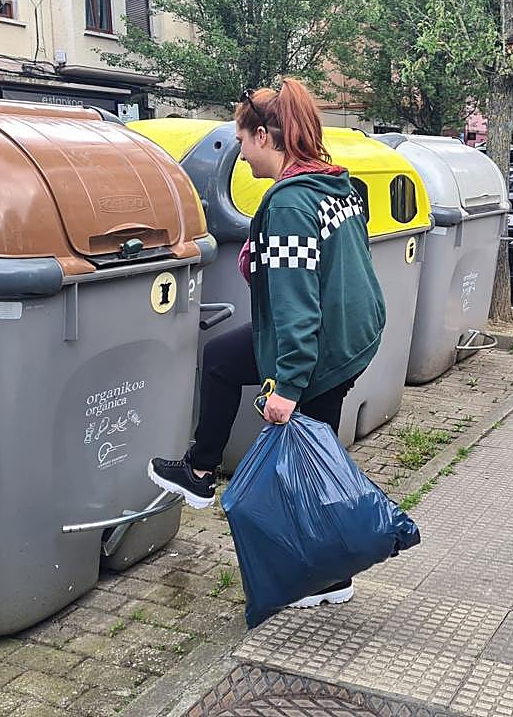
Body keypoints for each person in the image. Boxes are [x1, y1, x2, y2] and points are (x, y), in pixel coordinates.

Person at [147, 78, 386, 608]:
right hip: (348, 338)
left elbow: (296, 299)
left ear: (262, 135)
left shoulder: (290, 206)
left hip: (317, 346)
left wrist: (289, 384)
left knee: (305, 462)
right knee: (229, 365)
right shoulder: (331, 185)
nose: (242, 153)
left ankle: (322, 572)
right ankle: (205, 471)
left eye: (242, 140)